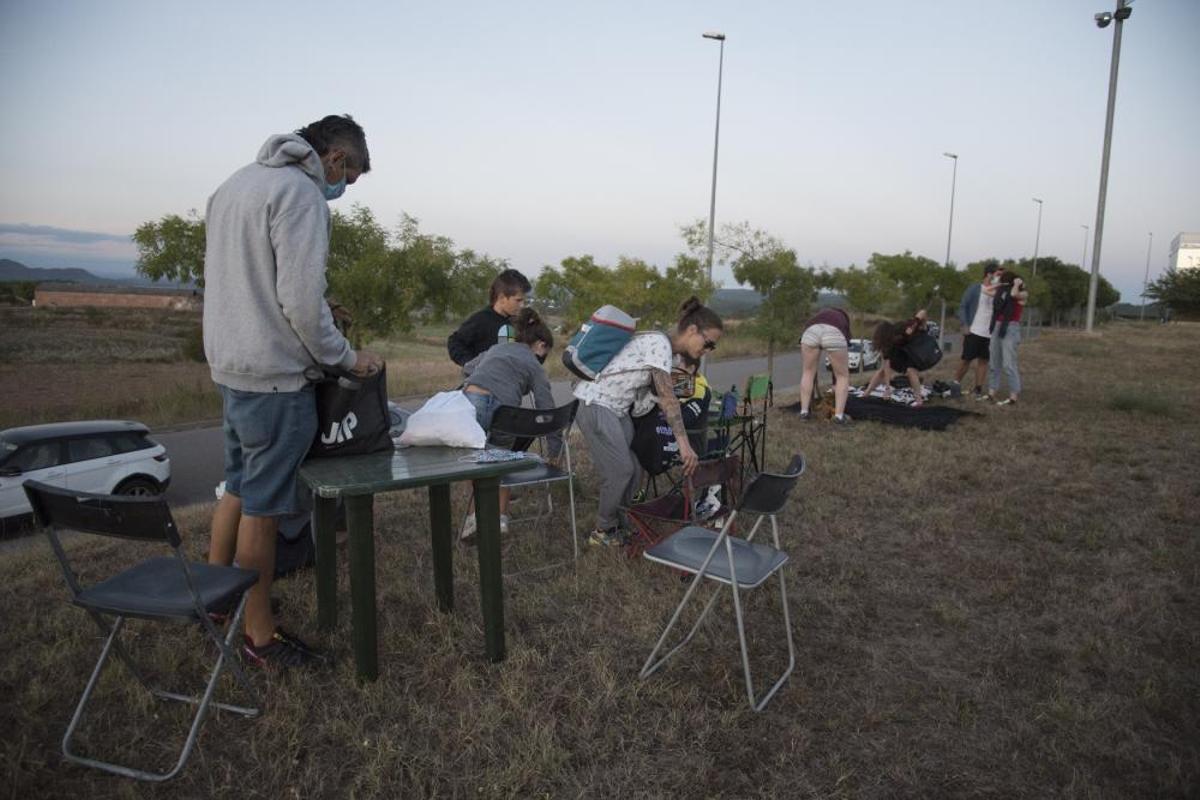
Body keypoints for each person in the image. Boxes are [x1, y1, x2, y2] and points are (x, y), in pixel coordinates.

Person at [203, 114, 383, 670]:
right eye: (349, 178)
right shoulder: (301, 195)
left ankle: (215, 600)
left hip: (232, 366)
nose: (344, 189)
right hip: (276, 379)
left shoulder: (235, 184)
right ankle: (260, 638)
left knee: (237, 485)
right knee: (265, 509)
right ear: (335, 159)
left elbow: (251, 280)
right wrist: (346, 356)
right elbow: (300, 301)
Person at [574, 297, 723, 546]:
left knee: (635, 468)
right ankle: (602, 530)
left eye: (712, 348)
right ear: (692, 330)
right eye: (708, 343)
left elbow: (663, 394)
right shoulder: (658, 343)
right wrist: (684, 445)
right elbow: (667, 398)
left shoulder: (670, 356)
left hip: (618, 409)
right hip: (597, 402)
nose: (708, 351)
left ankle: (621, 524)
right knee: (621, 471)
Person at [458, 307, 559, 540]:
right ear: (541, 344)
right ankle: (500, 519)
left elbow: (467, 368)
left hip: (472, 401)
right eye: (545, 353)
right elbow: (547, 409)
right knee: (500, 460)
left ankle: (474, 519)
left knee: (473, 461)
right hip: (505, 409)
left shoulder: (496, 348)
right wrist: (555, 449)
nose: (543, 359)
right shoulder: (533, 364)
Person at [447, 269, 532, 367]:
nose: (522, 305)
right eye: (518, 300)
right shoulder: (480, 320)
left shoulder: (519, 323)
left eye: (524, 301)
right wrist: (472, 365)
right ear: (502, 298)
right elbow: (455, 342)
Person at [797, 306, 853, 424]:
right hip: (834, 333)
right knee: (842, 376)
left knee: (807, 372)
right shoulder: (843, 320)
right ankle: (839, 416)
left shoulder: (817, 317)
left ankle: (804, 412)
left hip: (810, 332)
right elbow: (845, 348)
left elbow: (805, 332)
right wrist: (835, 382)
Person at [954, 261, 1001, 400]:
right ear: (989, 274)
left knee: (983, 361)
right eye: (997, 275)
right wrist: (965, 324)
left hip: (989, 333)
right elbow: (963, 306)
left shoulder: (998, 292)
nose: (999, 278)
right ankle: (954, 385)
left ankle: (978, 389)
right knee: (966, 360)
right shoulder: (975, 288)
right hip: (974, 330)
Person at [862, 309, 929, 406]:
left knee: (911, 370)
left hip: (917, 350)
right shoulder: (886, 346)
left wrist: (924, 326)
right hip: (902, 353)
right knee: (881, 371)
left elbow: (923, 312)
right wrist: (887, 388)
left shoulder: (904, 327)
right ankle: (866, 394)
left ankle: (919, 401)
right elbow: (886, 366)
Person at [987, 271, 1028, 406]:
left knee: (1009, 363)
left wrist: (1016, 284)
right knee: (994, 361)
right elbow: (986, 290)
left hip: (1010, 327)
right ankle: (992, 392)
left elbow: (1014, 294)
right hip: (997, 326)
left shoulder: (1023, 294)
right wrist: (999, 285)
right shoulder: (1002, 292)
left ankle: (1013, 395)